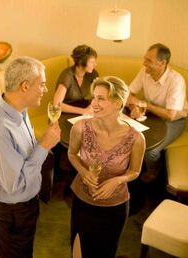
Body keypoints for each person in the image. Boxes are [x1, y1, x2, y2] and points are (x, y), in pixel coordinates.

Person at [0, 56, 61, 258]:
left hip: (25, 204)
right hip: (12, 211)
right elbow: (16, 184)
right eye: (42, 84)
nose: (45, 90)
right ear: (25, 86)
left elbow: (23, 157)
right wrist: (44, 145)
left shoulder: (18, 109)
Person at [68, 76, 145, 258]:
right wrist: (83, 171)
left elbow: (135, 171)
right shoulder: (80, 127)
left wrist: (118, 180)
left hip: (115, 207)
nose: (94, 103)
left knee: (105, 253)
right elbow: (72, 154)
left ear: (118, 103)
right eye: (94, 97)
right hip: (83, 201)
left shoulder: (136, 138)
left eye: (101, 98)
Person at [128, 43, 187, 182]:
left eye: (148, 60)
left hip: (173, 122)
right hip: (152, 115)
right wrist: (133, 107)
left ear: (162, 63)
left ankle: (154, 169)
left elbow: (171, 115)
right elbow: (129, 93)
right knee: (127, 135)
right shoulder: (144, 71)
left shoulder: (176, 81)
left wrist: (144, 104)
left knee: (151, 152)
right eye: (145, 59)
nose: (144, 63)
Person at [53, 44, 98, 114]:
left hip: (82, 106)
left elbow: (100, 93)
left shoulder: (92, 74)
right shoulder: (67, 76)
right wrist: (83, 111)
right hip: (65, 111)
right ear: (81, 62)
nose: (95, 64)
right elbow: (56, 104)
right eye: (92, 62)